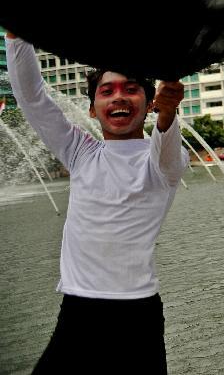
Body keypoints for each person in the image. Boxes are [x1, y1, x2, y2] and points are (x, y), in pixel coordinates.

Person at [5, 32, 188, 374]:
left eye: (131, 88)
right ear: (92, 109)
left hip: (138, 317)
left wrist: (168, 113)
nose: (119, 96)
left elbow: (166, 144)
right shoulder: (81, 152)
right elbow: (32, 98)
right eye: (107, 91)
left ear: (150, 103)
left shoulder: (161, 161)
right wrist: (17, 36)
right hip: (78, 311)